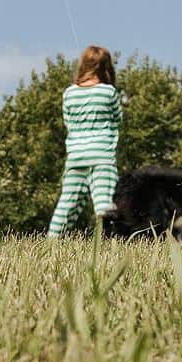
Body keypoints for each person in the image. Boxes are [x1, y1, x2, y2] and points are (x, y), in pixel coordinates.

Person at [47, 45, 122, 237]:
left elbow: (68, 122)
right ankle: (109, 243)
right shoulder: (109, 93)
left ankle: (52, 242)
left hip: (76, 157)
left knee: (66, 205)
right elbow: (117, 119)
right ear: (106, 67)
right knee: (105, 206)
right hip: (102, 156)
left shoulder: (69, 93)